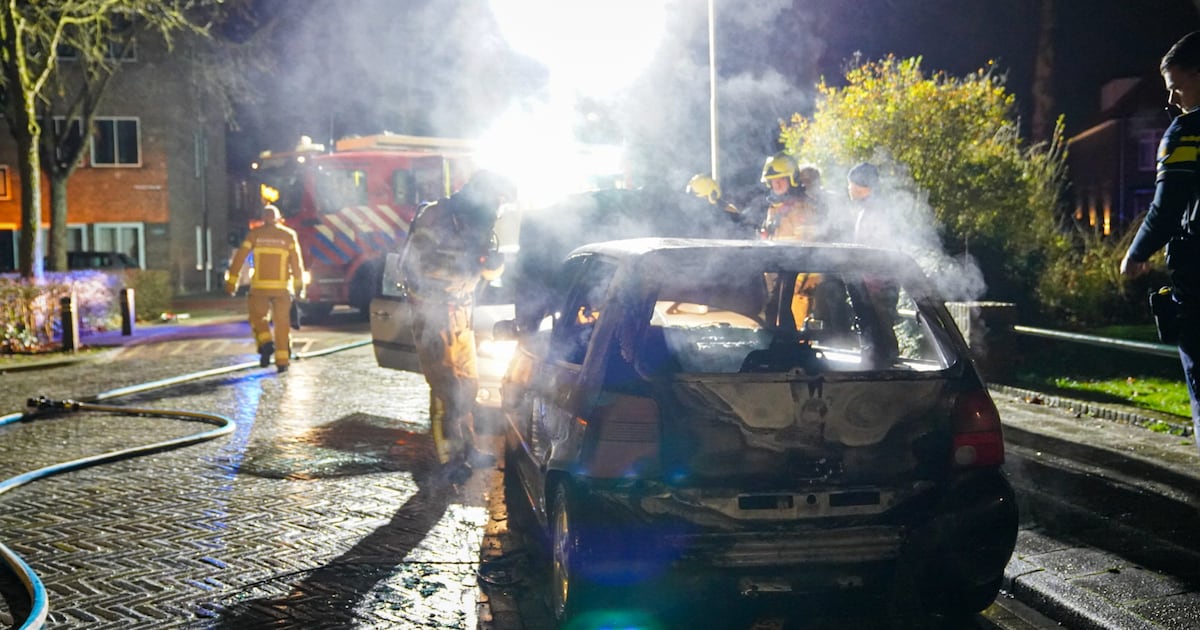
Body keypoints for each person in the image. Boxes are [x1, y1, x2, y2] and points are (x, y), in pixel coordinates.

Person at [401, 170, 514, 480]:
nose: (499, 208)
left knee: (467, 384)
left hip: (460, 309)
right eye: (498, 200)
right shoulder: (436, 215)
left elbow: (487, 270)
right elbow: (416, 265)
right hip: (433, 310)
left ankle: (468, 448)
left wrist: (493, 264)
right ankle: (449, 458)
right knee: (445, 387)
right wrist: (460, 266)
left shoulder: (478, 221)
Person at [1120, 30, 1200, 448]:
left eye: (1177, 87)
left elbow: (1166, 208)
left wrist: (1136, 254)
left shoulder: (1187, 132)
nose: (1172, 100)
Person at [225, 204, 307, 373]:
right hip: (282, 289)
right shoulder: (288, 236)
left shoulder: (254, 235)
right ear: (278, 218)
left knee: (258, 319)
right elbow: (297, 264)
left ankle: (266, 342)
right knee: (282, 324)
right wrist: (299, 287)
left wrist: (232, 283)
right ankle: (282, 361)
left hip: (259, 288)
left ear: (263, 218)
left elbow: (239, 258)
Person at [756, 152, 824, 241]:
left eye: (782, 178)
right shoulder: (774, 209)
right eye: (773, 180)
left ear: (793, 179)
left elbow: (806, 247)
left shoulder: (802, 209)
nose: (777, 184)